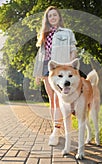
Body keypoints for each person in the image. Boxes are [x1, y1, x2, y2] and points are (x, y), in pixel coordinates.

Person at [33, 6, 77, 146]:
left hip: (60, 69)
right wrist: (38, 74)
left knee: (60, 100)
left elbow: (73, 50)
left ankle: (57, 131)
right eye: (49, 16)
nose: (52, 18)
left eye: (54, 15)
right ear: (47, 19)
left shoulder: (67, 32)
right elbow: (41, 56)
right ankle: (56, 128)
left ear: (59, 17)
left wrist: (70, 67)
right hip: (47, 68)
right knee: (52, 99)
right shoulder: (44, 35)